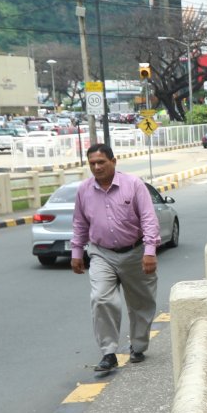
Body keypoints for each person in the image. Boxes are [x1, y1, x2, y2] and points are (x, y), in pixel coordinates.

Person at [71, 143, 160, 372]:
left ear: (113, 161)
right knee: (101, 298)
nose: (97, 167)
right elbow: (80, 223)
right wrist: (77, 252)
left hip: (136, 252)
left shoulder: (134, 185)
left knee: (141, 303)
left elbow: (149, 219)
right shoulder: (84, 190)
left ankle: (138, 346)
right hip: (102, 254)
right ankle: (108, 352)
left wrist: (150, 252)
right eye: (92, 163)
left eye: (101, 162)